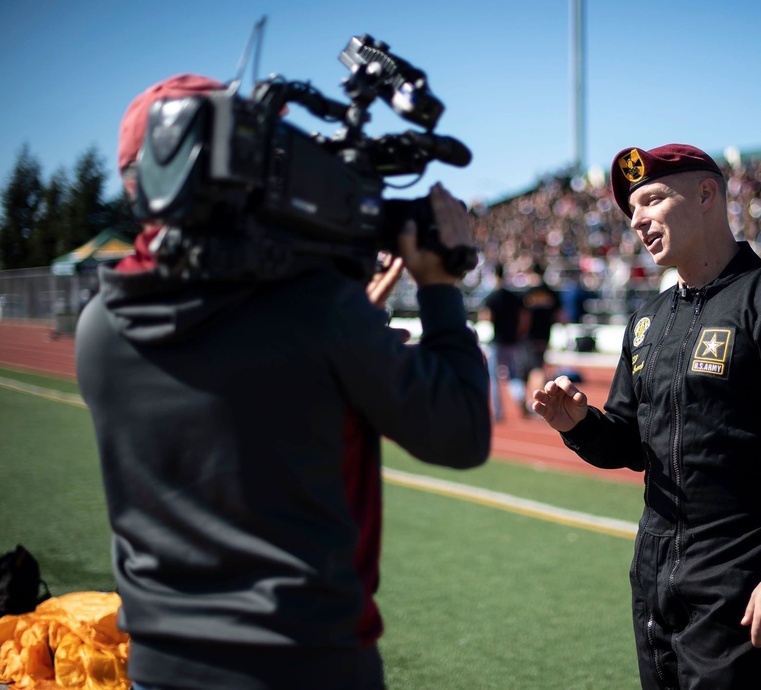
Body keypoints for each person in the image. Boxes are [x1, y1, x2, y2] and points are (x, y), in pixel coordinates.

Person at [75, 74, 491, 690]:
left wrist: (352, 323)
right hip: (306, 661)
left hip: (158, 665)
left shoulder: (97, 326)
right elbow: (459, 432)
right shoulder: (320, 312)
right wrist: (439, 284)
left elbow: (241, 383)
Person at [531, 144, 761, 689]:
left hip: (737, 570)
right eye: (631, 209)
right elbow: (630, 443)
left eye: (653, 199)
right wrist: (578, 426)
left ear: (707, 194)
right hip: (653, 570)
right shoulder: (648, 320)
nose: (637, 220)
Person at [478, 262, 525, 421]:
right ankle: (521, 401)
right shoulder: (513, 297)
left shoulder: (491, 297)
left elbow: (487, 318)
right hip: (511, 340)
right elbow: (521, 318)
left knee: (494, 377)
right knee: (514, 375)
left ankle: (498, 412)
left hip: (496, 341)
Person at [519, 261, 564, 415]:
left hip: (530, 336)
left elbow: (524, 316)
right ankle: (538, 398)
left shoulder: (529, 293)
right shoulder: (551, 292)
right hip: (545, 334)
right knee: (539, 364)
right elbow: (560, 316)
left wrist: (521, 331)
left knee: (534, 367)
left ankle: (534, 400)